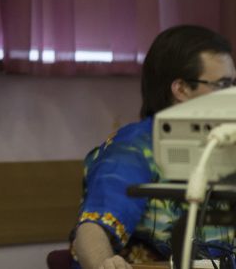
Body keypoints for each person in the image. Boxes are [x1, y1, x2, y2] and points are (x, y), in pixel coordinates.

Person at [71, 24, 236, 269]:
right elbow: (93, 230)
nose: (232, 95)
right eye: (222, 85)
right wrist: (104, 264)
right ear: (181, 89)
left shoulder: (227, 143)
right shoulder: (135, 149)